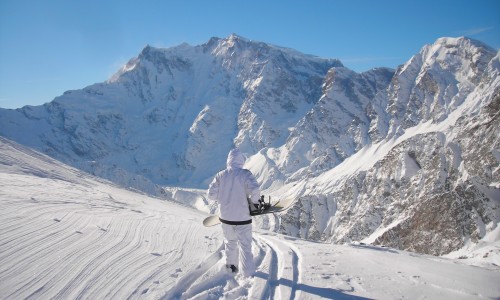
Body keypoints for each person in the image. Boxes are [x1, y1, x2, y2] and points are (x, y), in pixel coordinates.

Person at [207, 148, 261, 277]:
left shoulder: (220, 175)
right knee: (245, 246)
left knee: (230, 243)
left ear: (229, 160)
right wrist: (255, 203)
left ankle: (231, 268)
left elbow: (211, 195)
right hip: (243, 219)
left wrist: (223, 197)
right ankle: (248, 273)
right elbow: (255, 190)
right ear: (241, 160)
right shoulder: (246, 174)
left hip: (225, 219)